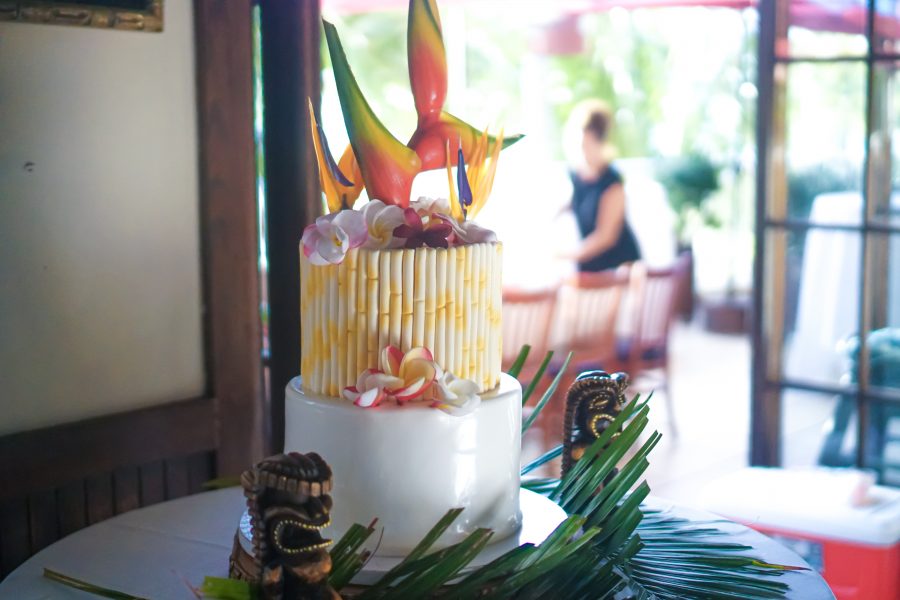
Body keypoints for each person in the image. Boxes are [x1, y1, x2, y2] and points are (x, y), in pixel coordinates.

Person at [562, 101, 641, 272]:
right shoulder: (577, 177)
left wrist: (566, 255)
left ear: (600, 142)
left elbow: (606, 237)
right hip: (590, 270)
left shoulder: (612, 182)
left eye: (586, 144)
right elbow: (573, 205)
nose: (582, 150)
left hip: (617, 269)